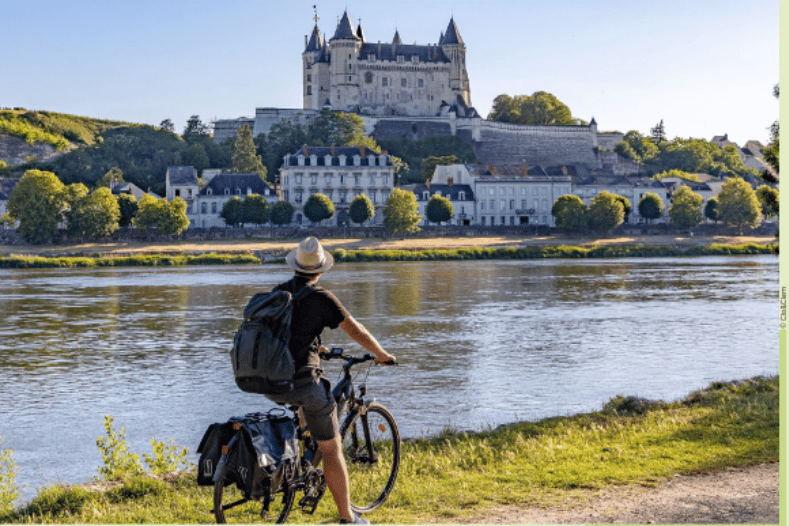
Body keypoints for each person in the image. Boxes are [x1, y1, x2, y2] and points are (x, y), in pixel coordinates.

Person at [265, 237, 396, 525]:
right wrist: (382, 353)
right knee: (332, 448)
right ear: (320, 269)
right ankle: (348, 517)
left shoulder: (278, 293)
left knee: (305, 415)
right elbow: (356, 330)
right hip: (303, 382)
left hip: (273, 381)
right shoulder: (321, 297)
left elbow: (285, 334)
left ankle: (301, 468)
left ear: (296, 266)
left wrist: (315, 349)